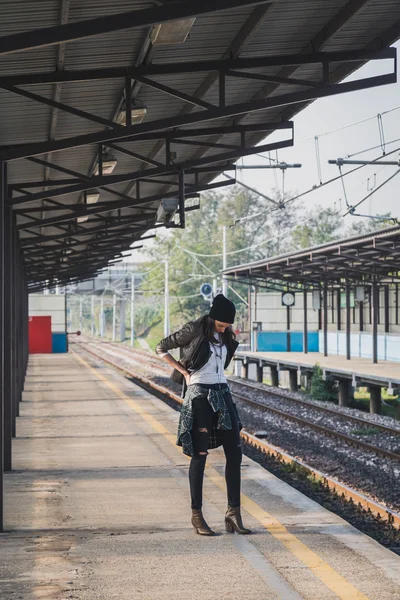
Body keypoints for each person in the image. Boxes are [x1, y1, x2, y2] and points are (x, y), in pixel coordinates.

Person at [155, 294, 251, 536]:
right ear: (211, 318)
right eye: (220, 325)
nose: (224, 329)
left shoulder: (227, 334)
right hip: (199, 394)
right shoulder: (194, 329)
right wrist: (184, 373)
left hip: (222, 391)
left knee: (235, 452)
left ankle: (233, 513)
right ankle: (197, 515)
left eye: (227, 325)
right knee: (200, 455)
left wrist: (226, 333)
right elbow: (161, 347)